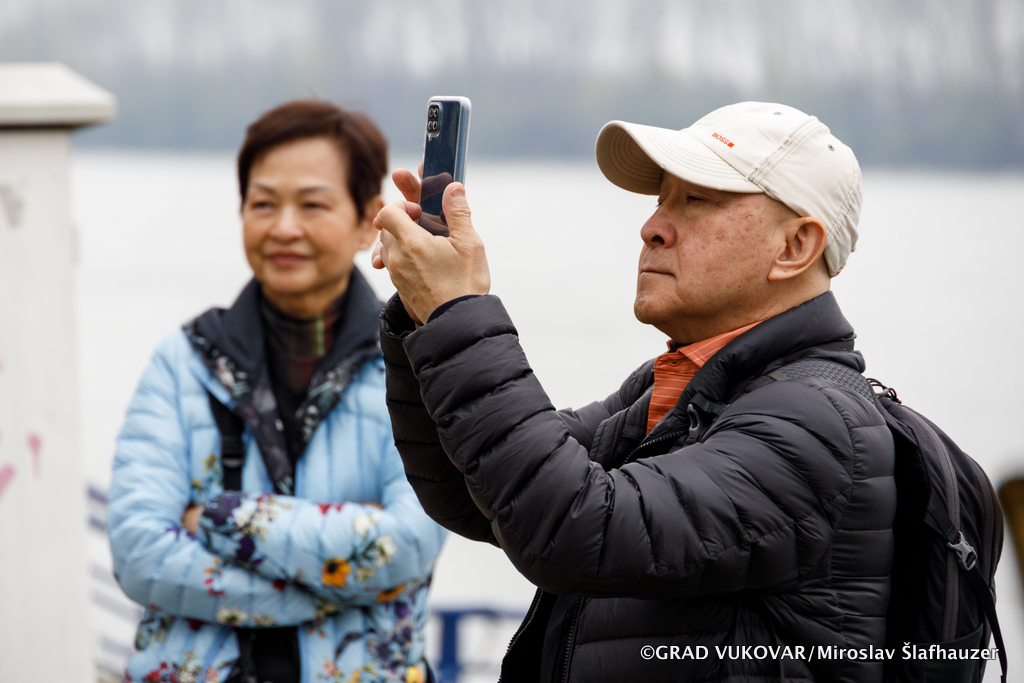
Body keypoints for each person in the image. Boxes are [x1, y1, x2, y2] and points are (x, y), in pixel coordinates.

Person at [372, 102, 896, 682]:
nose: (652, 227)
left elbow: (573, 527)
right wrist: (425, 313)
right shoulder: (681, 385)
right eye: (661, 200)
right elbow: (476, 493)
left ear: (795, 247)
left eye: (697, 200)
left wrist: (456, 310)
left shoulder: (816, 422)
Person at [107, 100, 446, 683]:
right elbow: (140, 554)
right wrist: (339, 584)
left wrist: (220, 518)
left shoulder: (413, 363)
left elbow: (409, 542)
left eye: (312, 204)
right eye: (263, 203)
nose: (284, 227)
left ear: (369, 218)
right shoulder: (182, 363)